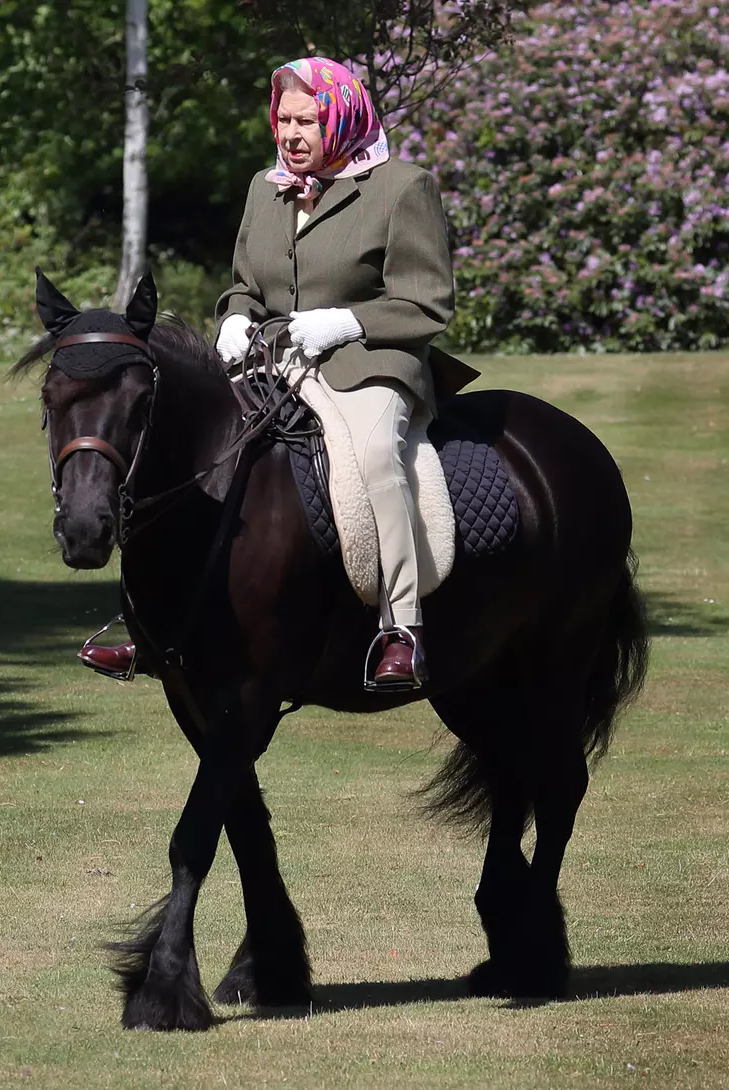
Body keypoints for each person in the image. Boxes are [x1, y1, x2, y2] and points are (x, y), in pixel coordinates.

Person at [82, 56, 475, 687]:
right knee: (175, 445)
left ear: (342, 117)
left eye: (307, 122)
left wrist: (346, 322)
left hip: (367, 361)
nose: (291, 135)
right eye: (283, 120)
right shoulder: (265, 188)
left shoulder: (403, 187)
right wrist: (234, 317)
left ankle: (401, 627)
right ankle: (148, 625)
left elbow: (428, 302)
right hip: (274, 361)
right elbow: (245, 286)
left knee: (376, 454)